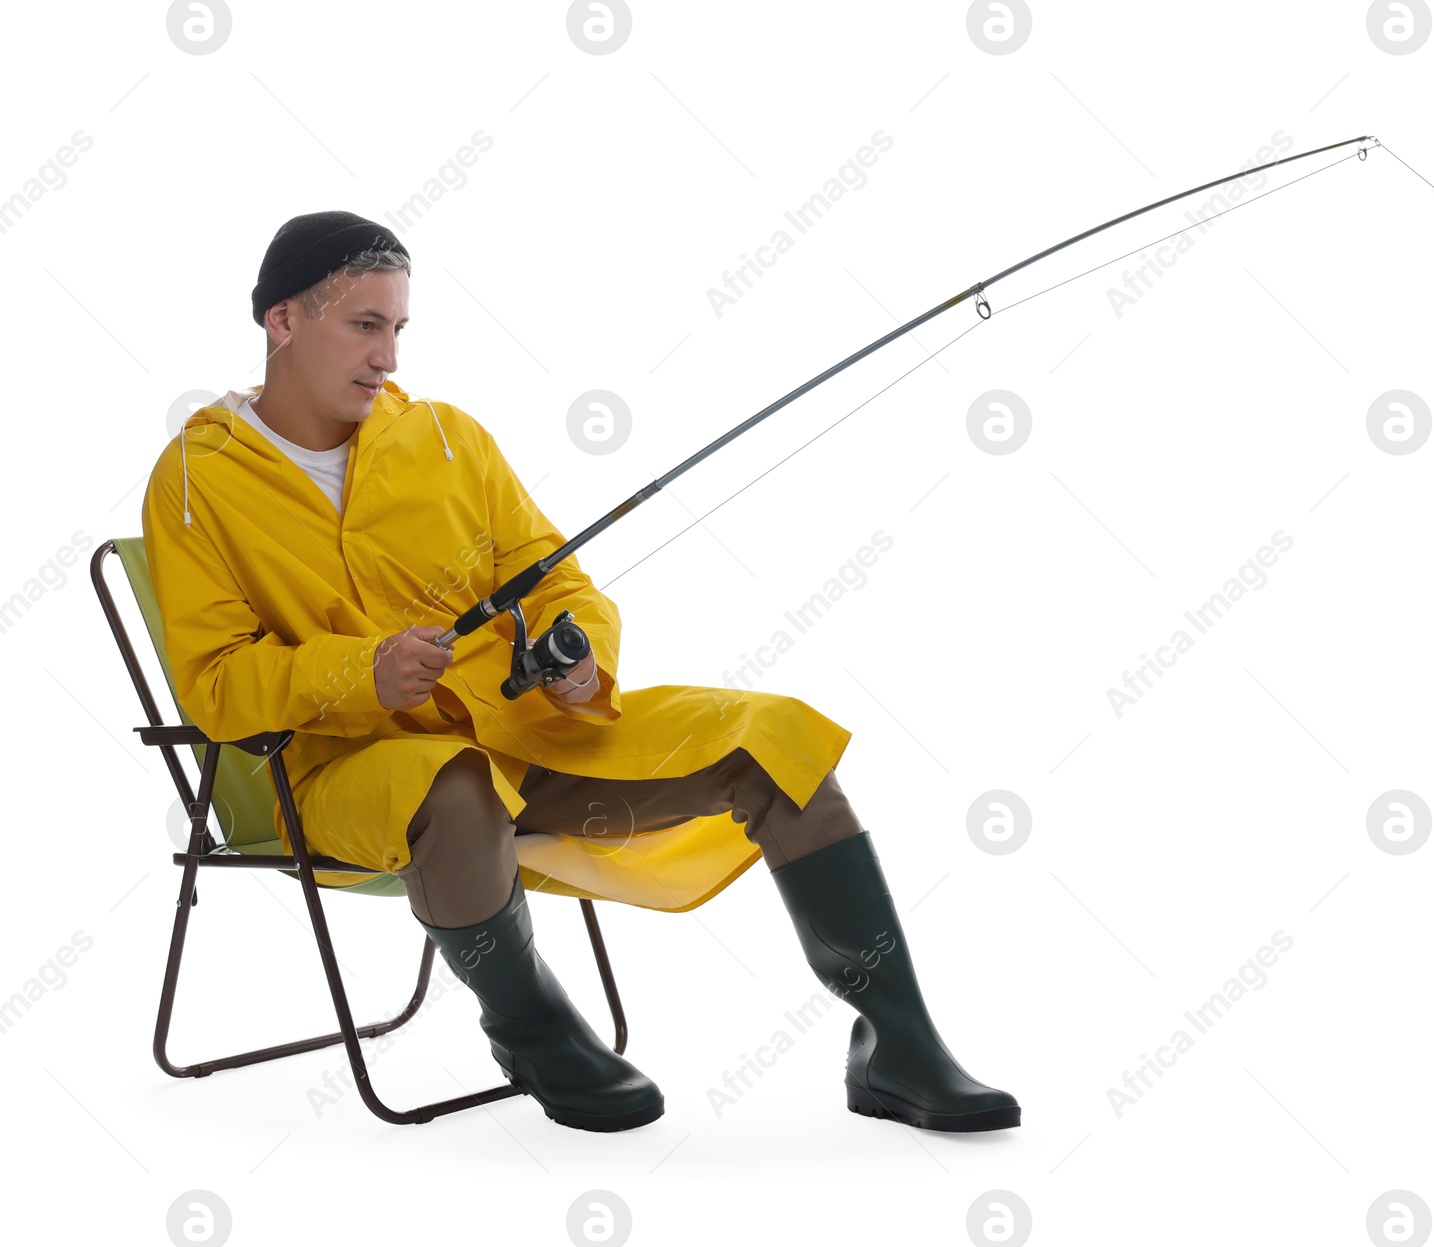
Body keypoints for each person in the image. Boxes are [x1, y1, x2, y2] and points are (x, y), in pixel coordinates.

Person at [140, 210, 1020, 1134]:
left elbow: (562, 581)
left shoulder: (448, 439)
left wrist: (578, 657)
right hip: (343, 777)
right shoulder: (197, 477)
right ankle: (531, 1027)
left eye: (399, 329)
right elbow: (214, 681)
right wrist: (363, 673)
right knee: (455, 779)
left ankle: (901, 1043)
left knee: (778, 737)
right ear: (283, 321)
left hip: (529, 738)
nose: (389, 358)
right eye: (365, 325)